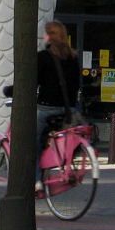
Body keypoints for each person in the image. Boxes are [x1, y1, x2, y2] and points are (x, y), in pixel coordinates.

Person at [36, 20, 81, 188]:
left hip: (47, 108)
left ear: (49, 37)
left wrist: (11, 91)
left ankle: (36, 180)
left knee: (33, 142)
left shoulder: (43, 57)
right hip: (68, 109)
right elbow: (77, 85)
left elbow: (33, 82)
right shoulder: (73, 57)